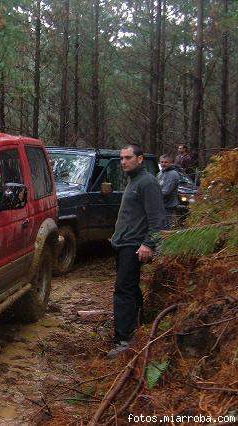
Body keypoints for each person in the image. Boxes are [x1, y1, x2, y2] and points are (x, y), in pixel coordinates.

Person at [108, 144, 166, 357]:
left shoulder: (148, 182)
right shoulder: (134, 180)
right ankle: (139, 327)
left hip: (134, 246)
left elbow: (158, 219)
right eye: (121, 158)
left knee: (122, 291)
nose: (123, 162)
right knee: (130, 288)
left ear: (140, 159)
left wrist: (149, 243)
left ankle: (123, 340)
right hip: (124, 244)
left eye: (128, 157)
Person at [157, 154, 180, 228]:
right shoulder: (160, 173)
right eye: (162, 162)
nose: (163, 164)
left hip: (168, 205)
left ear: (171, 163)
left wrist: (153, 194)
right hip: (160, 204)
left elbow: (167, 191)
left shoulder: (173, 174)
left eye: (166, 162)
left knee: (165, 226)